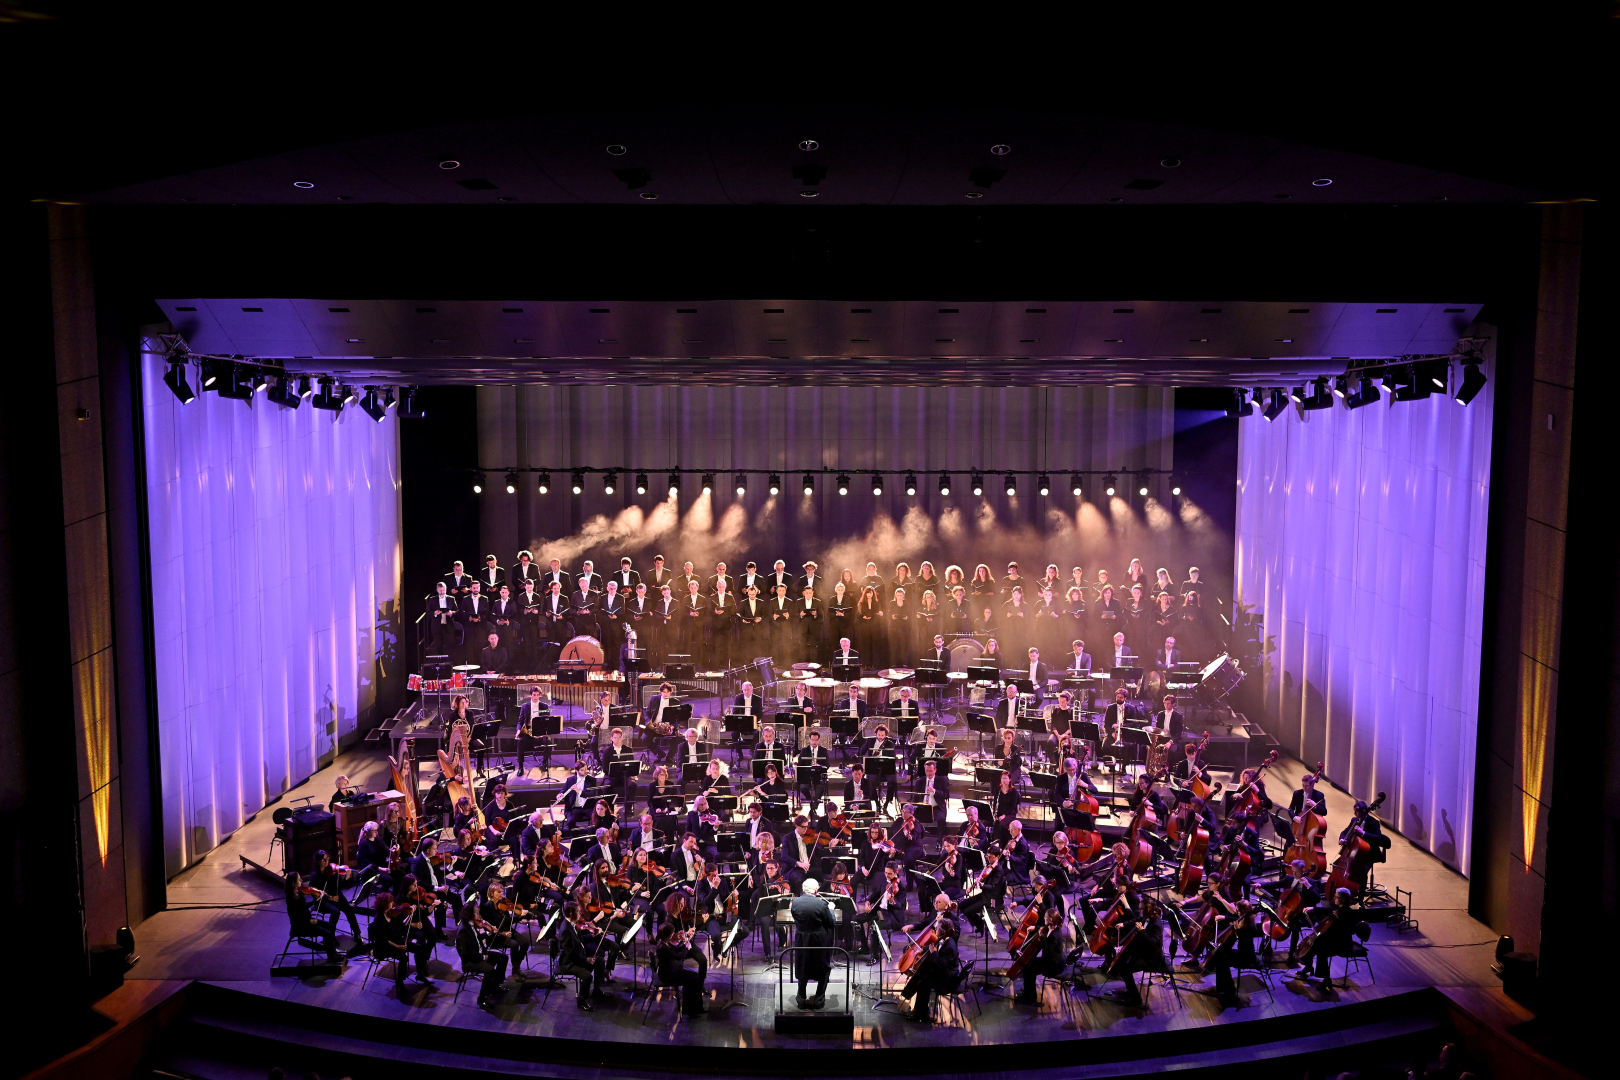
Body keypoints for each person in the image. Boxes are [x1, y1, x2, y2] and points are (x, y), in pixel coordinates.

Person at [904, 907, 963, 1022]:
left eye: (937, 928)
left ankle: (921, 1015)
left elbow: (942, 966)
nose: (935, 928)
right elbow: (937, 946)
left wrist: (934, 953)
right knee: (923, 976)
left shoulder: (950, 946)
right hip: (944, 973)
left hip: (948, 979)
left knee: (923, 983)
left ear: (942, 931)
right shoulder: (943, 938)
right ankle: (919, 1011)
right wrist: (924, 949)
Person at [791, 878, 837, 1009]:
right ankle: (819, 1000)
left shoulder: (795, 902)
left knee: (802, 965)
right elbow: (831, 924)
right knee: (823, 968)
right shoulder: (821, 904)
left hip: (801, 939)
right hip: (819, 940)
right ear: (816, 890)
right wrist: (831, 910)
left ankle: (800, 998)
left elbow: (795, 917)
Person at [558, 902, 613, 1011]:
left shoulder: (571, 924)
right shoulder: (566, 930)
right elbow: (571, 954)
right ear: (570, 913)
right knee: (587, 976)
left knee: (600, 961)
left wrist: (593, 935)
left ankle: (596, 991)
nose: (580, 913)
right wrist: (586, 960)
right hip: (568, 962)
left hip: (577, 956)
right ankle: (581, 1002)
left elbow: (580, 940)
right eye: (578, 912)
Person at [1013, 906, 1071, 1005]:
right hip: (1050, 960)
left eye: (1045, 917)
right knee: (1028, 963)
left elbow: (1047, 950)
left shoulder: (1055, 935)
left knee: (1030, 970)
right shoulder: (1052, 927)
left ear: (1050, 920)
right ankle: (1029, 992)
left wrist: (1042, 937)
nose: (1044, 919)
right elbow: (1044, 928)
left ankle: (1030, 998)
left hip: (1054, 966)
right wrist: (1035, 928)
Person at [456, 900, 509, 1008]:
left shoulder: (471, 924)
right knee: (490, 970)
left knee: (503, 957)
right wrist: (483, 957)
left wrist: (489, 932)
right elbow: (467, 953)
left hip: (480, 952)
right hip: (470, 960)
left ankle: (495, 986)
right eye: (476, 912)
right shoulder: (463, 930)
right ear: (469, 914)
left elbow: (477, 938)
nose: (479, 915)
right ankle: (482, 998)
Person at [284, 870, 342, 962]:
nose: (301, 880)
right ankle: (331, 957)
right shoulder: (291, 899)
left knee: (331, 926)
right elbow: (296, 917)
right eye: (299, 879)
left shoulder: (297, 893)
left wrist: (316, 900)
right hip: (301, 926)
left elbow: (304, 906)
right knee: (326, 933)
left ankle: (333, 952)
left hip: (308, 921)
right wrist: (309, 921)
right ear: (293, 882)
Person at [655, 921, 708, 1016]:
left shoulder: (663, 943)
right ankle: (693, 1009)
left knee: (694, 977)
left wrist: (685, 944)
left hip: (669, 971)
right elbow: (678, 956)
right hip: (669, 975)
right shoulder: (663, 947)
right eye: (672, 933)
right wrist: (687, 947)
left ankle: (692, 1009)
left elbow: (675, 951)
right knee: (694, 978)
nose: (673, 935)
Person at [425, 580, 459, 656]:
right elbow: (428, 613)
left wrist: (451, 613)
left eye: (443, 590)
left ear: (446, 589)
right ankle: (440, 664)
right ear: (437, 590)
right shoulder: (432, 599)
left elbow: (457, 611)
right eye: (440, 590)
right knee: (438, 646)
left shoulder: (451, 598)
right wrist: (435, 613)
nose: (442, 592)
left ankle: (449, 664)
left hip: (448, 626)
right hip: (437, 626)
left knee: (449, 646)